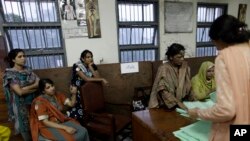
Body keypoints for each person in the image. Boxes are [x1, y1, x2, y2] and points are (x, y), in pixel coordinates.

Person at [188, 14, 250, 141]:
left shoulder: (225, 58)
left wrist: (198, 112)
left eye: (214, 41)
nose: (215, 46)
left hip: (236, 129)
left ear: (220, 38)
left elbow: (226, 110)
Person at [3, 49, 39, 141]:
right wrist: (33, 87)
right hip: (20, 105)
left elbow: (39, 83)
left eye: (24, 56)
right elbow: (19, 93)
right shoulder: (10, 73)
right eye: (20, 56)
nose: (23, 58)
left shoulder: (28, 70)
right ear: (13, 60)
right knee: (24, 128)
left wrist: (25, 88)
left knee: (36, 126)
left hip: (33, 102)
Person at [68, 49, 108, 124]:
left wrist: (91, 67)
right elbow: (86, 79)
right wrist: (102, 79)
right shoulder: (77, 66)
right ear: (83, 58)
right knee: (80, 110)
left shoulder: (93, 65)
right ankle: (81, 126)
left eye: (91, 57)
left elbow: (97, 77)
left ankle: (91, 126)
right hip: (78, 91)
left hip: (89, 91)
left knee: (90, 109)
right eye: (88, 57)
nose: (90, 58)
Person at [148, 43, 193, 110]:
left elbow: (189, 85)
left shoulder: (185, 67)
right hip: (166, 105)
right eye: (179, 57)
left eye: (183, 56)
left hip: (182, 103)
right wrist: (177, 103)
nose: (182, 59)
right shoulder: (164, 69)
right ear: (171, 57)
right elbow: (163, 91)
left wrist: (193, 100)